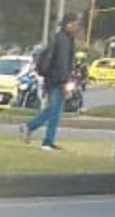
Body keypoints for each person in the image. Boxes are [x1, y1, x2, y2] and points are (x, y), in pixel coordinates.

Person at [22, 12, 79, 151]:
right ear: (68, 24)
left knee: (53, 109)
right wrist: (64, 81)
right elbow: (62, 63)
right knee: (54, 112)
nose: (75, 27)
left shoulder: (62, 38)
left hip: (53, 78)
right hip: (57, 80)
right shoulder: (64, 40)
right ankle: (47, 141)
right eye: (74, 24)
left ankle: (30, 126)